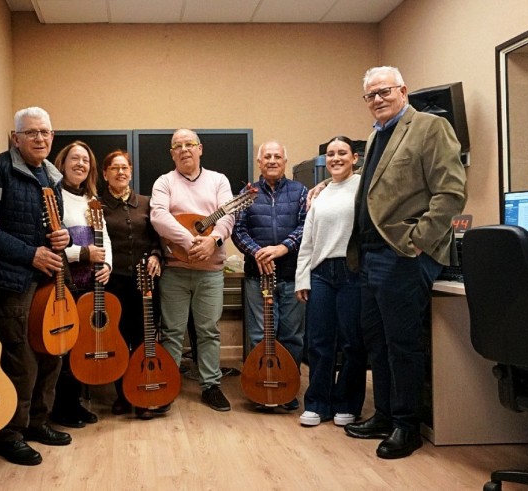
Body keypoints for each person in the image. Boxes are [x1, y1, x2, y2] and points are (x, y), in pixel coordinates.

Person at [341, 67, 467, 459]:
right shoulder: (377, 135)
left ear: (403, 91)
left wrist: (418, 242)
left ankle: (407, 426)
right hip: (369, 255)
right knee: (376, 342)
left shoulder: (429, 127)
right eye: (370, 95)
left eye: (385, 91)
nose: (377, 99)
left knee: (402, 344)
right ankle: (384, 413)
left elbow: (450, 191)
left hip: (402, 254)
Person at [0, 107, 72, 470]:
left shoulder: (53, 175)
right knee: (21, 360)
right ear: (15, 138)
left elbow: (52, 225)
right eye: (31, 133)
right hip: (15, 282)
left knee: (53, 352)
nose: (40, 139)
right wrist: (31, 254)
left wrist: (60, 235)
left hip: (51, 280)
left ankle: (38, 423)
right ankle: (10, 435)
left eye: (45, 133)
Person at [150, 128, 234, 412]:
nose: (184, 149)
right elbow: (158, 215)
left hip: (210, 272)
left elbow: (228, 213)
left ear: (201, 148)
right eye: (178, 146)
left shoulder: (218, 180)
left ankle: (211, 385)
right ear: (172, 153)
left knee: (208, 331)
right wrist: (190, 242)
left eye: (189, 144)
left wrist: (213, 241)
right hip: (174, 270)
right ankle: (169, 384)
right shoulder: (165, 182)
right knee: (172, 331)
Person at [294, 136, 366, 428]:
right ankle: (317, 403)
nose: (335, 158)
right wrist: (303, 278)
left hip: (352, 272)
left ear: (355, 158)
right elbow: (307, 241)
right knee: (319, 343)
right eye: (331, 155)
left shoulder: (363, 187)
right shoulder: (319, 195)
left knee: (352, 343)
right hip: (321, 273)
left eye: (342, 153)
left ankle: (347, 403)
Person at [232, 140, 307, 412]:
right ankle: (259, 387)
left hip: (291, 275)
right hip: (257, 276)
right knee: (259, 335)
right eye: (267, 157)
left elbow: (306, 226)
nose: (272, 161)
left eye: (277, 156)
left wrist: (282, 247)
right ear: (259, 163)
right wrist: (259, 253)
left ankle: (289, 387)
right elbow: (238, 231)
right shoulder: (247, 193)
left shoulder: (300, 192)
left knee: (292, 336)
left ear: (285, 162)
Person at [49, 141, 112, 428]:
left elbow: (105, 238)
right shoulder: (53, 197)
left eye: (85, 160)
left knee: (81, 345)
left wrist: (107, 264)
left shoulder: (92, 200)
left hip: (91, 287)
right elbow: (52, 245)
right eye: (74, 159)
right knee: (63, 347)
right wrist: (84, 254)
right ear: (62, 163)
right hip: (65, 285)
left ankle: (74, 404)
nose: (80, 164)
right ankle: (61, 408)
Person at [98, 150, 163, 419]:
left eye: (125, 168)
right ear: (105, 174)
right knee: (119, 338)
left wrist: (158, 256)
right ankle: (123, 394)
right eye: (114, 168)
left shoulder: (147, 203)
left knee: (144, 337)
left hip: (146, 283)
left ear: (131, 172)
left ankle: (144, 389)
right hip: (114, 284)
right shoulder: (97, 206)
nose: (120, 172)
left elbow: (159, 237)